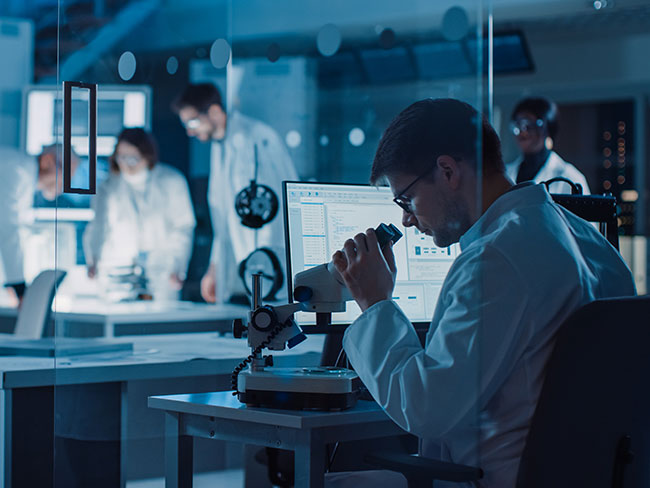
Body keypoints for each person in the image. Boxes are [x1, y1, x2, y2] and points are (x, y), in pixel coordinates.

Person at [327, 99, 635, 487]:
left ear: (447, 171)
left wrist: (374, 303)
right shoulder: (590, 241)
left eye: (406, 199)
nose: (405, 219)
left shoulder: (495, 259)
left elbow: (425, 409)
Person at [172, 83, 298, 303]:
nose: (190, 131)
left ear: (213, 112)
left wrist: (267, 267)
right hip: (250, 272)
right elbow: (225, 219)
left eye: (192, 122)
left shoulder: (256, 140)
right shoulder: (220, 145)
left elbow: (271, 213)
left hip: (272, 270)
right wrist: (215, 268)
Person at [83, 128, 196, 301]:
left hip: (161, 270)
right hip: (117, 272)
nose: (127, 164)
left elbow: (183, 228)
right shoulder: (108, 188)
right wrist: (93, 259)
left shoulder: (172, 181)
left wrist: (177, 265)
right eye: (121, 157)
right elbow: (98, 227)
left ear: (147, 155)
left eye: (133, 158)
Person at [0, 144, 80, 304]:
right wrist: (19, 287)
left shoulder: (22, 176)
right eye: (65, 175)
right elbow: (7, 227)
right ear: (47, 161)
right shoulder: (17, 171)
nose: (65, 186)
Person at [506, 96, 590, 195]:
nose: (523, 132)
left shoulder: (569, 177)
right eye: (518, 125)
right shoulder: (506, 173)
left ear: (548, 129)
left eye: (530, 125)